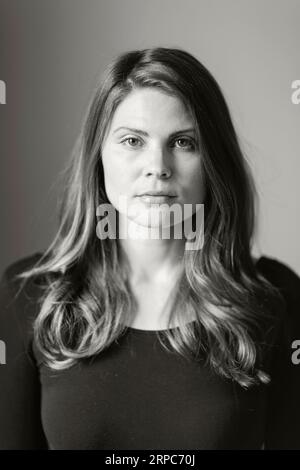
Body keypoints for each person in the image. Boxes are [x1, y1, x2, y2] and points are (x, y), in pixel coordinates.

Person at [0, 47, 300, 450]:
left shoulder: (276, 297)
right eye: (132, 140)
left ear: (214, 162)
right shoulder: (29, 297)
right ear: (99, 157)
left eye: (182, 141)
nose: (157, 165)